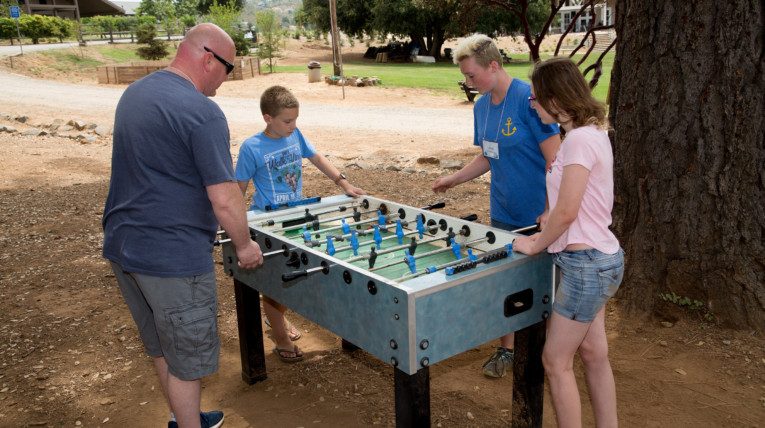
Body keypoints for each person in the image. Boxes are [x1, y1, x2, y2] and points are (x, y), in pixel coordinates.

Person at [102, 23, 264, 428]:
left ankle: (185, 418)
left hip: (125, 248)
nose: (226, 80)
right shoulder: (201, 111)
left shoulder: (136, 93)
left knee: (162, 348)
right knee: (188, 361)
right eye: (228, 69)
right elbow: (225, 197)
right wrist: (244, 246)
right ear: (209, 58)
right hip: (171, 257)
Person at [432, 34, 561, 378]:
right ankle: (507, 350)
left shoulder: (529, 99)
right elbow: (488, 155)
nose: (468, 83)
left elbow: (556, 160)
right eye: (464, 78)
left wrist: (550, 209)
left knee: (545, 286)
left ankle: (547, 357)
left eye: (472, 76)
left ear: (493, 65)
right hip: (503, 212)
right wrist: (453, 179)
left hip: (540, 214)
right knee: (508, 285)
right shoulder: (481, 105)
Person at [512, 56, 625, 427]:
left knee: (555, 361)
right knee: (593, 353)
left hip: (585, 266)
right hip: (603, 258)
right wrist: (552, 215)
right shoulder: (591, 132)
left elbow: (568, 213)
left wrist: (536, 243)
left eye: (535, 99)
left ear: (556, 101)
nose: (533, 105)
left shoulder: (576, 139)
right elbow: (580, 199)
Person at [235, 85, 366, 362]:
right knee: (274, 283)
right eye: (287, 121)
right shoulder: (252, 147)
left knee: (296, 274)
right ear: (267, 118)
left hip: (297, 219)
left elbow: (315, 156)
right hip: (268, 223)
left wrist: (343, 183)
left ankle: (277, 319)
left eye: (296, 119)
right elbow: (239, 188)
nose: (293, 125)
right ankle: (281, 339)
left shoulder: (295, 136)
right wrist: (233, 223)